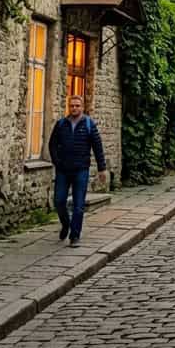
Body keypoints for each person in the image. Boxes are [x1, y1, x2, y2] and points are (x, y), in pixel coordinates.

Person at [47, 95, 107, 247]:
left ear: (82, 107)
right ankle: (66, 224)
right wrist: (57, 162)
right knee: (59, 201)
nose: (74, 108)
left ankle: (75, 236)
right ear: (69, 107)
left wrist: (102, 169)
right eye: (72, 106)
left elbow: (97, 147)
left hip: (81, 169)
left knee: (78, 204)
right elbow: (52, 145)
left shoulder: (88, 124)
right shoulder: (61, 124)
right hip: (63, 170)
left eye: (77, 106)